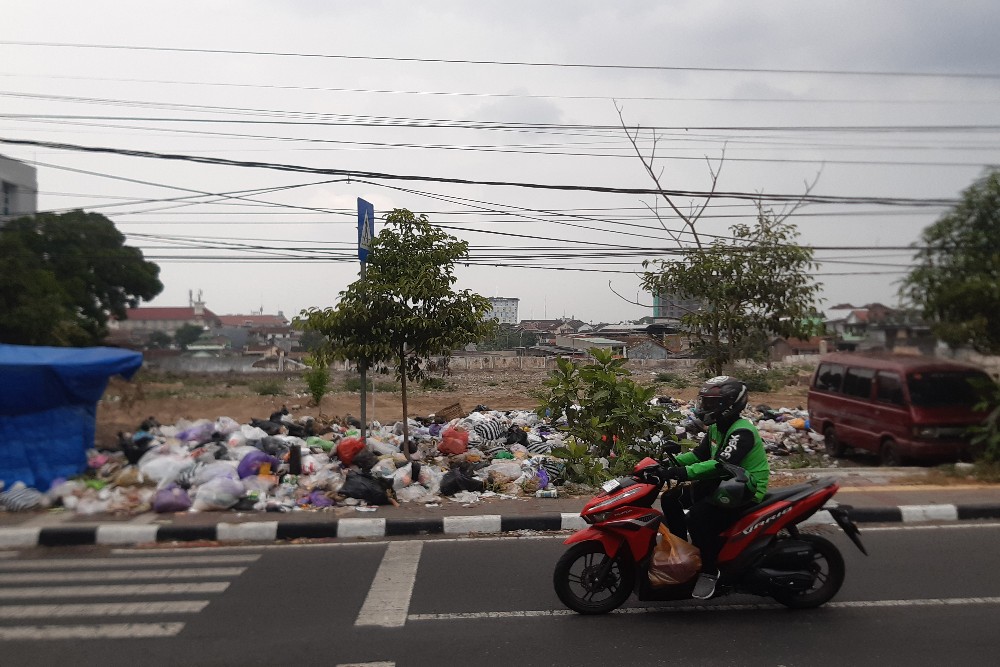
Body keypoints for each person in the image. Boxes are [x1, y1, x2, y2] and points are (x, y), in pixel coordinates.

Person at [659, 376, 770, 599]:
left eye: (710, 404)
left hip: (745, 489)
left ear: (729, 406)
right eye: (704, 402)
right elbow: (699, 455)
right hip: (724, 483)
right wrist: (669, 465)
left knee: (697, 519)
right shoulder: (717, 427)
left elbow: (720, 463)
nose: (704, 408)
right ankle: (683, 555)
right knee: (670, 499)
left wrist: (683, 473)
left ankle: (709, 571)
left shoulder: (742, 432)